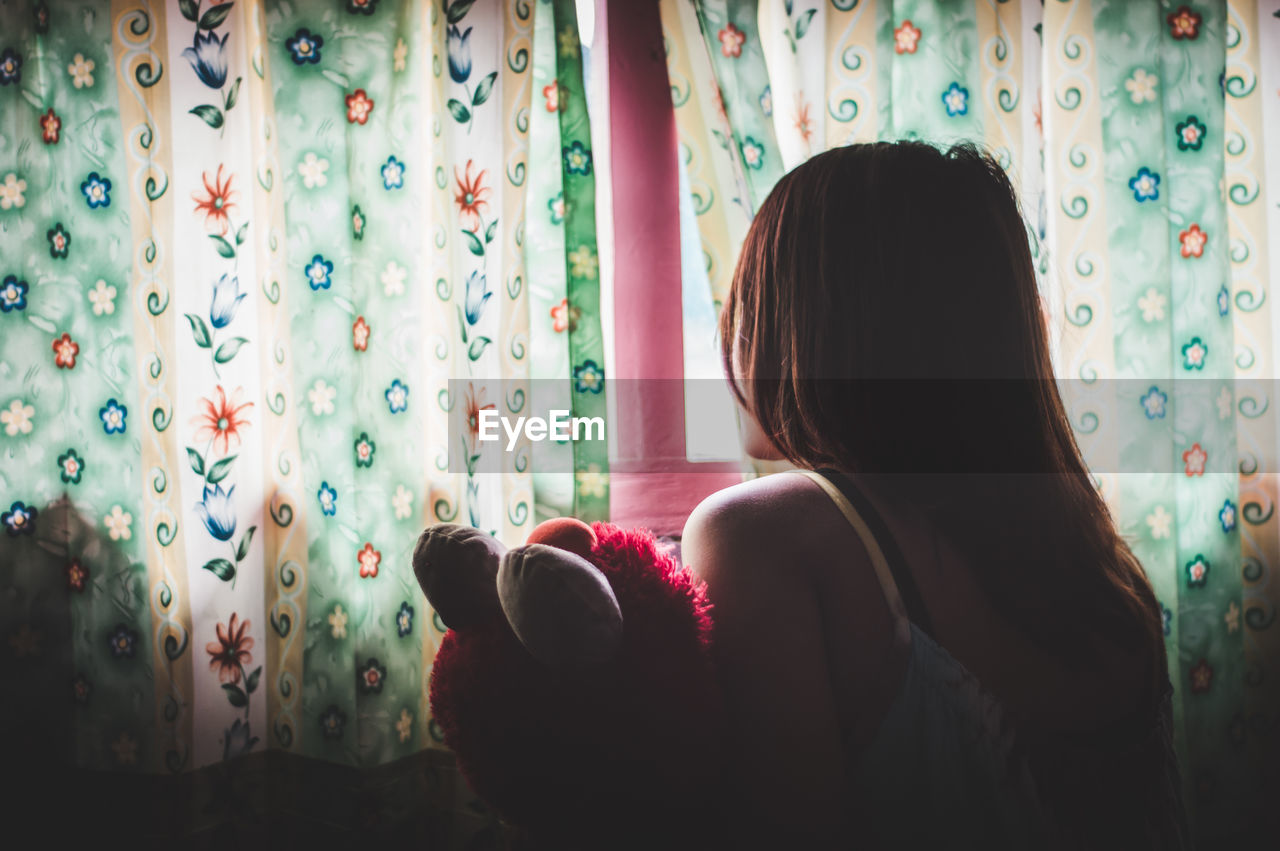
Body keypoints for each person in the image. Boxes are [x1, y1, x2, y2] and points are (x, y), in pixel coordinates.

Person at [682, 142, 1187, 847]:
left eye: (749, 304)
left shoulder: (768, 535)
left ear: (813, 324)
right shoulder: (1104, 572)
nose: (730, 337)